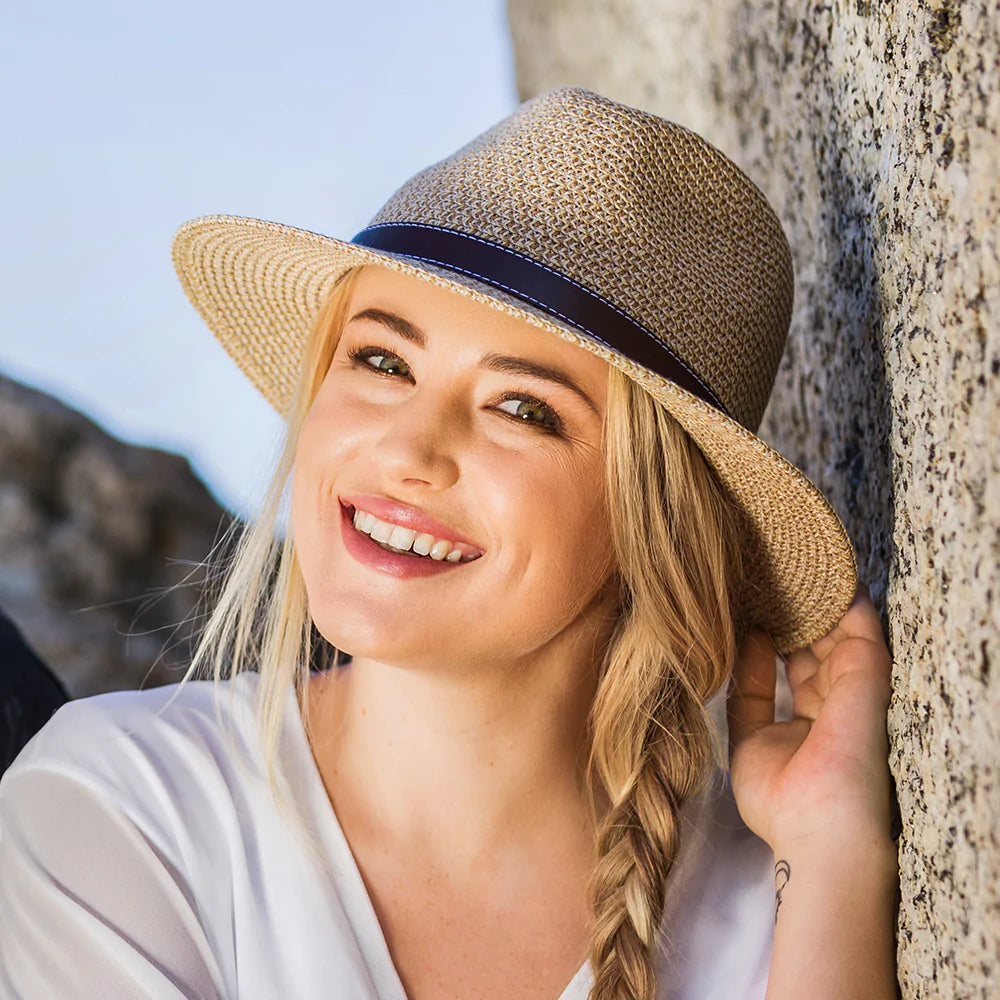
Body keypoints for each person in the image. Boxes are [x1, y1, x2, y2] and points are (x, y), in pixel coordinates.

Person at [0, 87, 898, 1000]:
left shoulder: (783, 907)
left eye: (524, 410)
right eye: (382, 361)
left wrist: (838, 858)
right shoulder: (122, 812)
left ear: (650, 523)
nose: (407, 452)